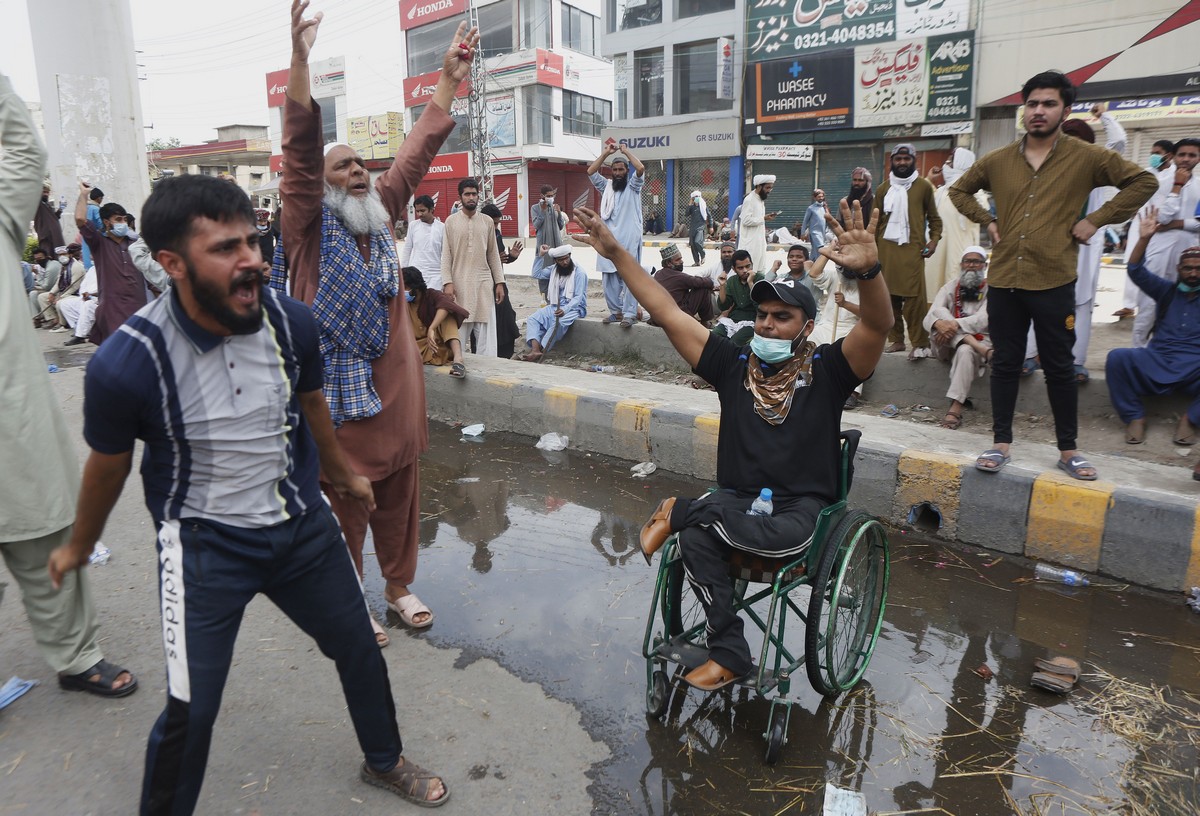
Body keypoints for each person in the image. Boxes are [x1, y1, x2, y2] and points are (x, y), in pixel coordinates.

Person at [47, 170, 449, 814]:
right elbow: (108, 468)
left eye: (251, 244)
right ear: (172, 263)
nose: (251, 262)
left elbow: (312, 400)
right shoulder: (128, 362)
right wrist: (79, 545)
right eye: (224, 250)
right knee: (190, 705)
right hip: (203, 551)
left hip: (300, 530)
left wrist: (342, 475)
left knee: (360, 651)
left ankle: (384, 760)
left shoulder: (290, 323)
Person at [574, 197, 890, 690]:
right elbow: (665, 310)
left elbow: (876, 326)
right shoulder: (732, 365)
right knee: (699, 538)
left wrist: (870, 274)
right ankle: (731, 649)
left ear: (805, 327)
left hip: (797, 515)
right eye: (762, 314)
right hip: (734, 505)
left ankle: (678, 510)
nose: (766, 324)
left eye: (781, 317)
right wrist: (617, 254)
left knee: (703, 520)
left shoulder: (828, 371)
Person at [281, 2, 477, 641]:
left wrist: (447, 80)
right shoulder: (306, 227)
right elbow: (300, 157)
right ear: (324, 185)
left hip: (396, 390)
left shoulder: (380, 212)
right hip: (338, 400)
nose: (359, 172)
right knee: (345, 502)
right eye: (344, 167)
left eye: (362, 164)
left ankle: (397, 586)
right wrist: (303, 62)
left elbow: (418, 150)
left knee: (399, 499)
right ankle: (347, 600)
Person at [0, 70, 137, 704]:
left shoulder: (1, 219)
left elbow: (23, 148)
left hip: (12, 429)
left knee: (44, 540)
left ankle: (77, 657)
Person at [949, 69, 1157, 480]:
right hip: (1006, 280)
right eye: (1032, 104)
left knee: (1060, 367)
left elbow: (1143, 181)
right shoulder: (999, 160)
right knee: (1007, 362)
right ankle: (1000, 443)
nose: (1039, 111)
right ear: (1024, 110)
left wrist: (1096, 219)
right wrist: (986, 219)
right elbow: (959, 190)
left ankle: (1068, 450)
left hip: (1055, 281)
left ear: (1065, 109)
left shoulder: (1086, 157)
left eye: (1048, 104)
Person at [1107, 208, 1200, 469]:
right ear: (1179, 269)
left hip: (1194, 367)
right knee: (1118, 358)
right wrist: (1144, 237)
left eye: (1198, 269)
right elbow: (1135, 270)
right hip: (1158, 360)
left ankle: (1190, 419)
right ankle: (1134, 417)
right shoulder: (1167, 291)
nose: (1193, 274)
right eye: (1188, 268)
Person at [1131, 138, 1200, 348]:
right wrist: (1177, 186)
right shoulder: (1160, 182)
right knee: (1149, 305)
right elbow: (1161, 218)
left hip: (1189, 254)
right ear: (1173, 156)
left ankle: (1171, 351)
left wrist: (1176, 224)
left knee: (1182, 303)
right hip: (1159, 250)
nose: (1186, 159)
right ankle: (1139, 353)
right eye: (1182, 155)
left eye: (1192, 155)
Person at [876, 143, 942, 359]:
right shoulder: (883, 189)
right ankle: (896, 341)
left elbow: (934, 219)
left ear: (913, 160)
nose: (902, 162)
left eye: (906, 159)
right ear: (892, 162)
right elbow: (874, 224)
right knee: (888, 299)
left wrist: (933, 241)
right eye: (898, 159)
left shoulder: (923, 186)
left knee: (914, 301)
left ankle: (920, 343)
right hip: (885, 252)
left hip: (913, 251)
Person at [923, 247, 992, 430]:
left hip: (975, 343)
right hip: (945, 345)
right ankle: (978, 347)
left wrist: (953, 325)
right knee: (939, 313)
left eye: (976, 262)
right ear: (961, 264)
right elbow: (929, 317)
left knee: (965, 349)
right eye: (967, 261)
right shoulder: (950, 286)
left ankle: (955, 407)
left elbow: (984, 319)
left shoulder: (991, 289)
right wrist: (942, 323)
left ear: (984, 266)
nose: (971, 265)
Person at [74, 185, 146, 345]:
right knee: (118, 352)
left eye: (125, 219)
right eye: (118, 220)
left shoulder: (135, 244)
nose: (123, 223)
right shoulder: (99, 242)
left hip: (138, 305)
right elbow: (80, 220)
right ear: (107, 222)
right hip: (113, 308)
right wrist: (84, 194)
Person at [441, 179, 505, 355]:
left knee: (487, 338)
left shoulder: (487, 222)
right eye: (467, 194)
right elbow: (446, 255)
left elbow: (493, 254)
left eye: (474, 194)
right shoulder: (451, 222)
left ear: (479, 196)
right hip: (459, 284)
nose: (471, 198)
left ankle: (487, 374)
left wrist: (500, 282)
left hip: (483, 283)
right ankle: (458, 365)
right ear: (460, 197)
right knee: (458, 335)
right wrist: (447, 282)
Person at [1116, 139, 1176, 318]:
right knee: (1133, 263)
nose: (1153, 156)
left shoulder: (1175, 177)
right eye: (1151, 152)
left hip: (1161, 226)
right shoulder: (1146, 173)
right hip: (1139, 225)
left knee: (1155, 266)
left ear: (1169, 155)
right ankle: (1128, 306)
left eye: (1157, 152)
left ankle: (1152, 306)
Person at [588, 142, 646, 326]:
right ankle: (616, 312)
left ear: (626, 170)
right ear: (611, 171)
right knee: (609, 280)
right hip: (608, 241)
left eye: (621, 169)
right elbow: (590, 172)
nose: (618, 173)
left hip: (629, 241)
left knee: (630, 278)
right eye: (615, 170)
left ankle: (629, 315)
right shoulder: (607, 188)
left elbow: (641, 167)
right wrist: (605, 154)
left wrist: (625, 151)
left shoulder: (633, 187)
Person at [924, 148, 987, 300]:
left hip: (960, 251)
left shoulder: (974, 193)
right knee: (934, 291)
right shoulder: (942, 192)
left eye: (950, 161)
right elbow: (924, 199)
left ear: (961, 163)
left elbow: (982, 212)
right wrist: (929, 180)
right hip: (937, 252)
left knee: (956, 290)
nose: (946, 164)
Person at [807, 244, 864, 409]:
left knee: (855, 348)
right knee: (810, 339)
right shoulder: (835, 277)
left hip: (851, 328)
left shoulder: (868, 284)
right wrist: (829, 251)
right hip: (827, 324)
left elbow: (869, 314)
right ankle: (806, 383)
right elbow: (814, 273)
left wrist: (846, 304)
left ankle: (852, 393)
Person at [521, 244, 587, 361]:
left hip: (574, 308)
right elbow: (536, 274)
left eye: (567, 258)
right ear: (555, 261)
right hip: (554, 305)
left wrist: (565, 309)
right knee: (533, 319)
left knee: (559, 323)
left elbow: (578, 297)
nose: (565, 262)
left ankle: (542, 349)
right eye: (561, 260)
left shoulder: (579, 273)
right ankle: (535, 350)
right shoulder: (553, 270)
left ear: (570, 256)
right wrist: (540, 256)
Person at [403, 265, 468, 377]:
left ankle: (458, 359)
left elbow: (446, 304)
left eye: (406, 288)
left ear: (416, 288)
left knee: (447, 315)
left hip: (437, 342)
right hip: (418, 347)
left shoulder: (431, 295)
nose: (403, 291)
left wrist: (432, 328)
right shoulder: (402, 302)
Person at [479, 201, 522, 358]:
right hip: (483, 285)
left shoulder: (496, 234)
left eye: (498, 223)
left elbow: (500, 260)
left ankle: (504, 354)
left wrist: (511, 257)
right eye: (494, 223)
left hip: (499, 284)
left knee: (506, 319)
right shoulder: (477, 235)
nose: (496, 227)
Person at [650, 244, 714, 325]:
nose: (682, 261)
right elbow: (700, 282)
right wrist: (712, 283)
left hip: (657, 317)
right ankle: (705, 322)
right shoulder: (679, 276)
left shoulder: (658, 274)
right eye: (678, 260)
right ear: (669, 263)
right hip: (675, 316)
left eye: (681, 258)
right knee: (704, 288)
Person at [712, 248, 762, 346]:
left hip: (752, 322)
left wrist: (750, 283)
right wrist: (722, 285)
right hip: (733, 320)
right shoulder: (732, 281)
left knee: (734, 343)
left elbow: (761, 306)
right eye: (740, 268)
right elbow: (724, 306)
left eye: (748, 266)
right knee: (713, 337)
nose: (745, 270)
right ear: (734, 269)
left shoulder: (760, 278)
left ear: (752, 264)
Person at [400, 194, 445, 290]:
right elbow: (407, 249)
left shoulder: (442, 227)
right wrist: (403, 272)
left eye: (422, 211)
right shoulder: (413, 226)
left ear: (432, 209)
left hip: (436, 275)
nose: (419, 214)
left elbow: (445, 254)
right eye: (417, 211)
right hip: (415, 273)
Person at [530, 184, 566, 299]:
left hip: (556, 246)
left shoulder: (554, 207)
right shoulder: (535, 208)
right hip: (544, 248)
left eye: (552, 195)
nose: (551, 197)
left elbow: (560, 226)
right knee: (543, 274)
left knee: (559, 272)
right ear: (542, 196)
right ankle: (545, 300)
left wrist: (559, 212)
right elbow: (536, 225)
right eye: (548, 196)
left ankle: (559, 300)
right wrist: (542, 211)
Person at [738, 174, 777, 275]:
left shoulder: (760, 199)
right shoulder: (749, 199)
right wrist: (763, 218)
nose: (769, 190)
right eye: (767, 187)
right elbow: (745, 220)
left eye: (771, 188)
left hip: (759, 241)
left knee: (760, 270)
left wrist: (765, 218)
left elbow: (757, 219)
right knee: (749, 271)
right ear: (759, 186)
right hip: (751, 243)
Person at [58, 263, 99, 345]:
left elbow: (109, 289)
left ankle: (80, 336)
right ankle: (80, 329)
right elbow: (83, 286)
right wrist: (84, 294)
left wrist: (92, 294)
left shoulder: (109, 268)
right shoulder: (92, 269)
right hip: (87, 297)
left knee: (88, 304)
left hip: (100, 299)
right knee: (64, 304)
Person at [34, 181, 65, 259]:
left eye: (47, 192)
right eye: (44, 192)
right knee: (48, 256)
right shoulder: (38, 204)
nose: (46, 194)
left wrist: (61, 209)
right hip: (46, 237)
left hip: (55, 236)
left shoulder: (47, 205)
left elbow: (53, 218)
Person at [686, 190, 708, 266]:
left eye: (697, 197)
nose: (696, 198)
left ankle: (703, 254)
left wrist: (711, 226)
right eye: (694, 197)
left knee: (697, 242)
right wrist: (689, 204)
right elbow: (686, 214)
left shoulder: (703, 207)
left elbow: (709, 216)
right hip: (692, 228)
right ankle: (696, 261)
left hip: (700, 227)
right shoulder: (692, 207)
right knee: (693, 245)